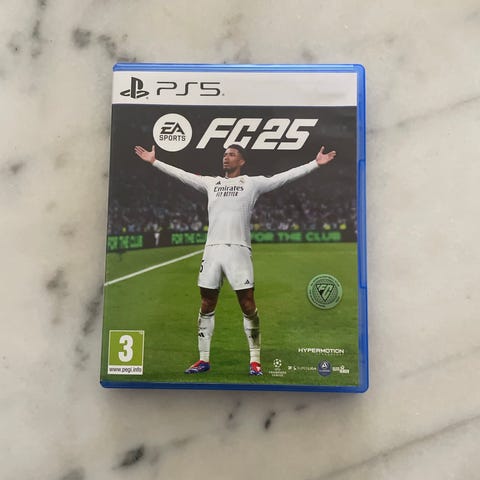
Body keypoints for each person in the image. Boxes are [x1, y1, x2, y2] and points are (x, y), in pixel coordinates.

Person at [134, 144, 336, 376]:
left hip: (239, 250)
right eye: (224, 154)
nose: (226, 158)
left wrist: (314, 164)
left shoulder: (251, 183)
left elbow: (282, 177)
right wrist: (154, 162)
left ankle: (255, 360)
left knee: (247, 304)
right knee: (206, 303)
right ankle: (203, 359)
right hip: (212, 251)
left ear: (242, 161)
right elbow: (183, 175)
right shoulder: (212, 183)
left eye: (232, 154)